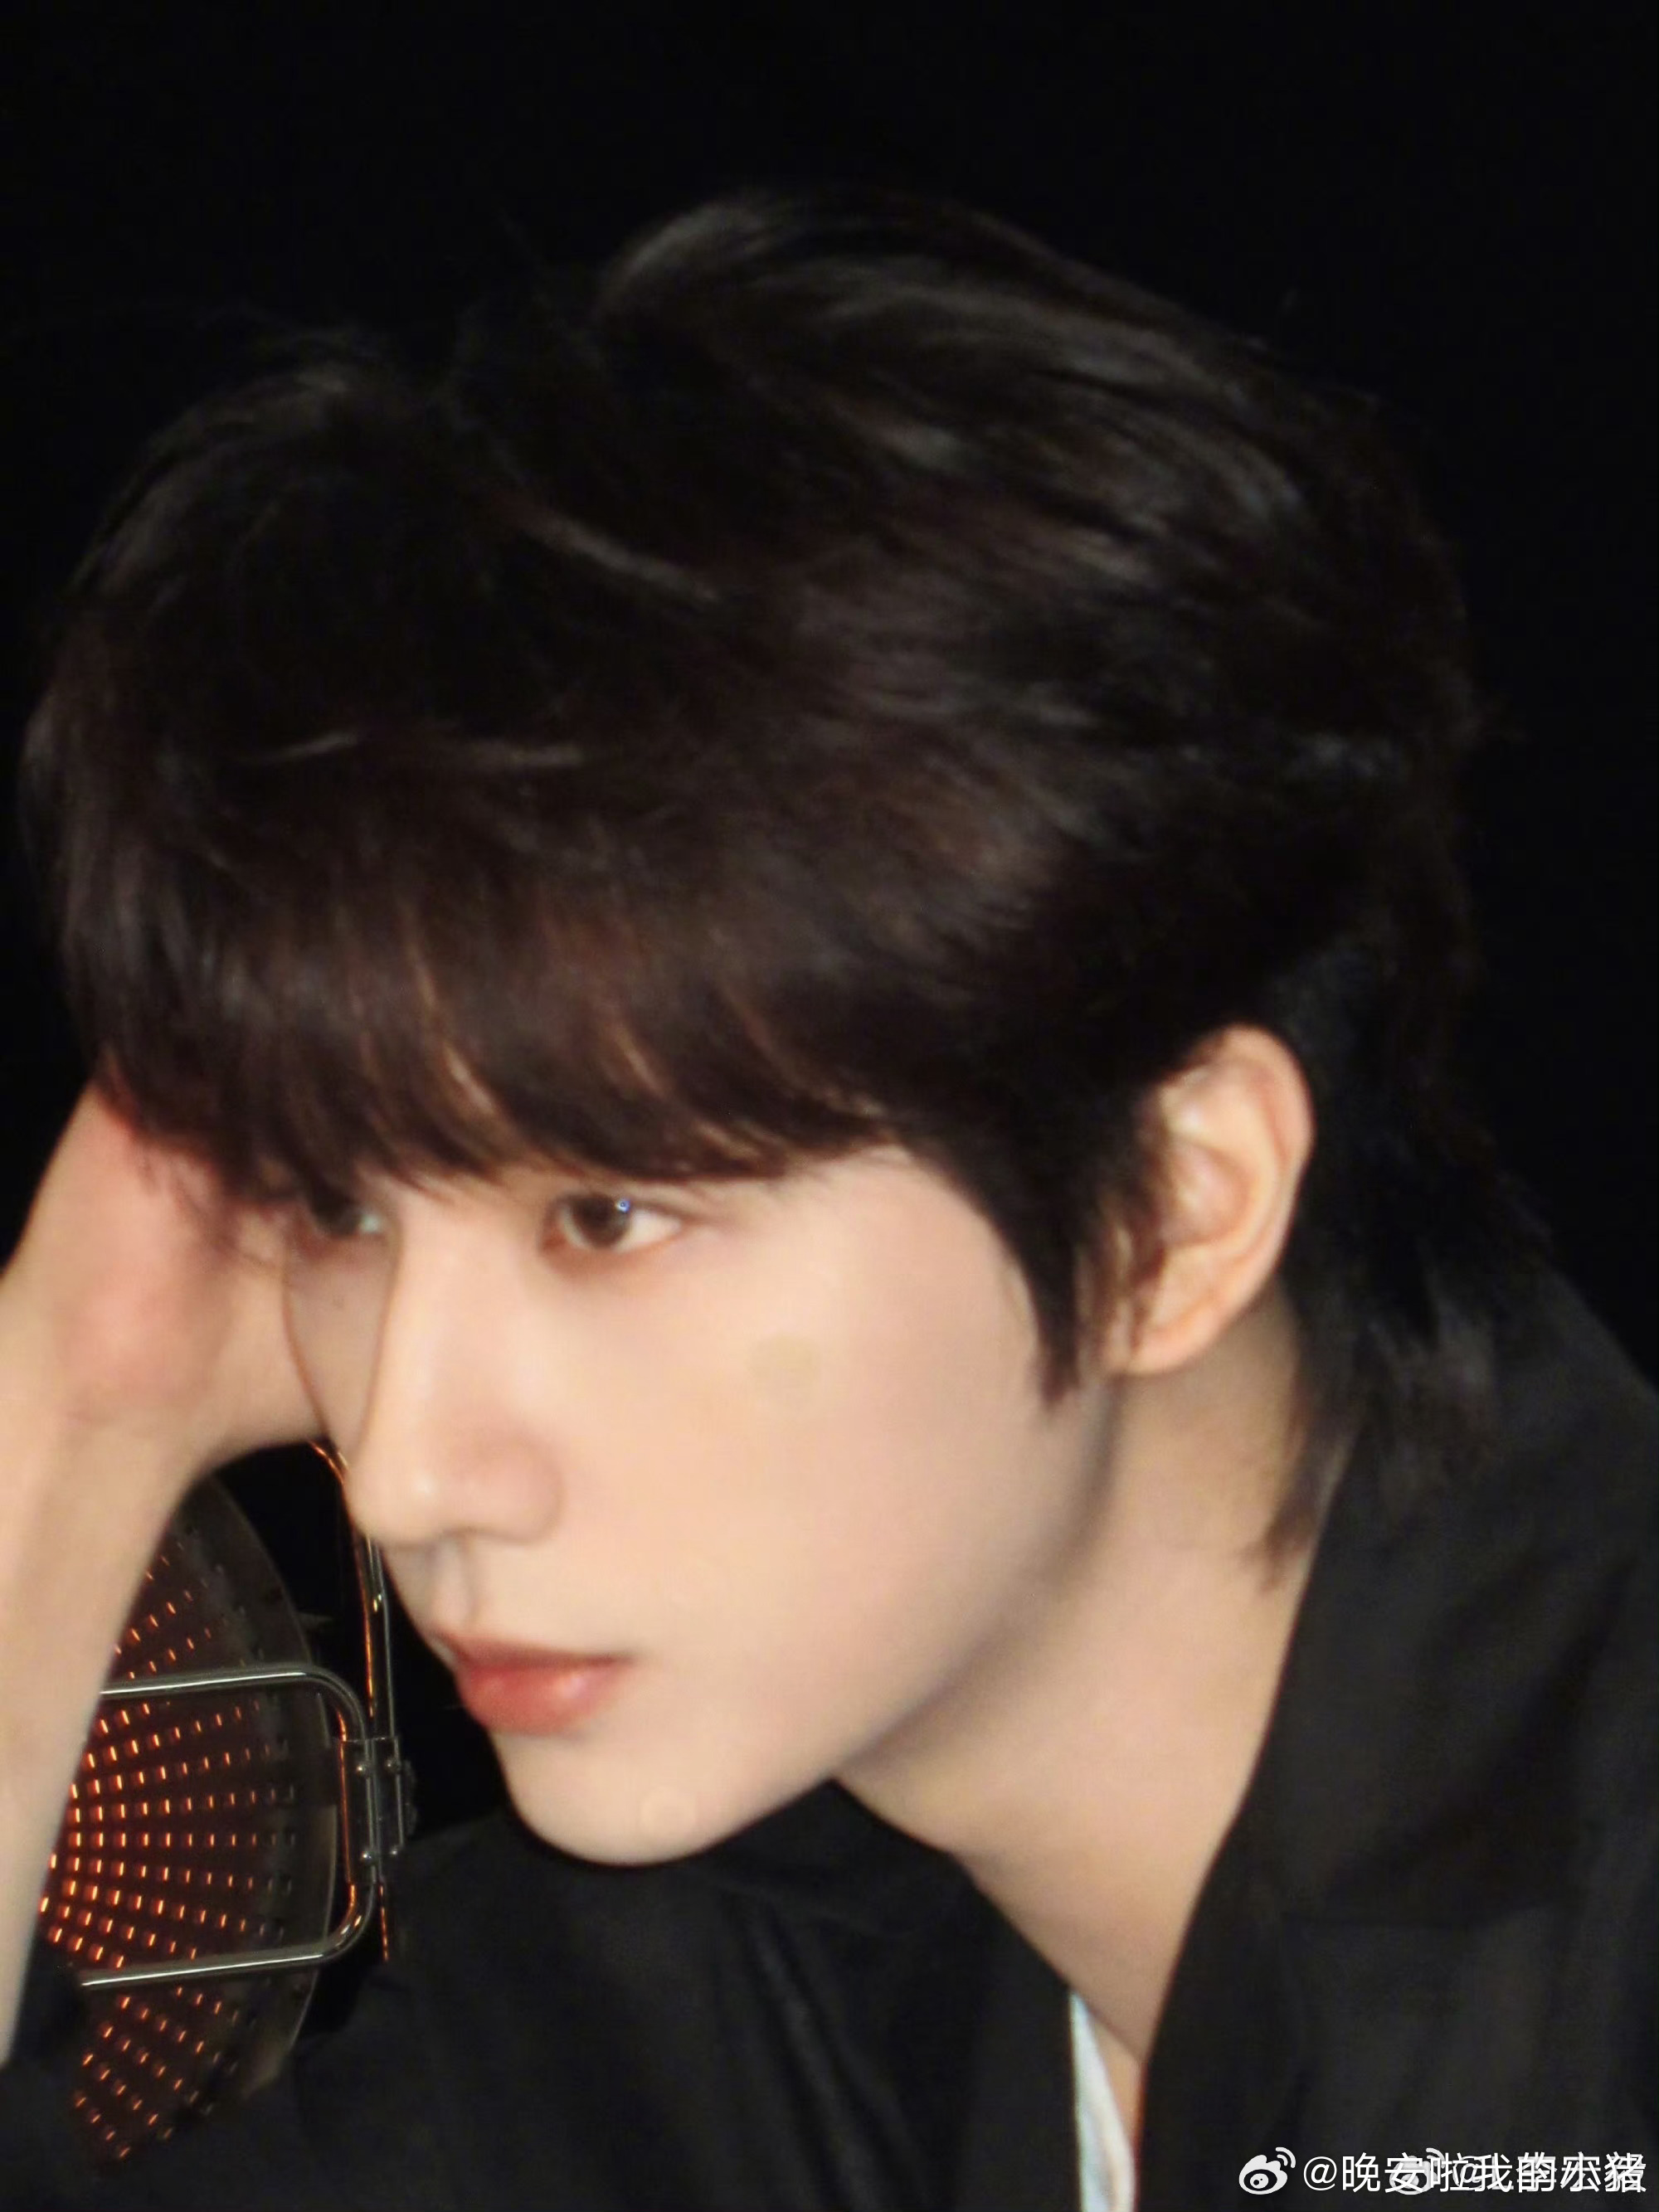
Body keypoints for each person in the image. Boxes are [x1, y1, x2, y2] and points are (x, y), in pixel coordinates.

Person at [0, 188, 1650, 2210]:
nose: (405, 1471)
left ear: (1170, 1209)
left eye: (607, 1213)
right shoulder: (698, 1988)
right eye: (342, 1207)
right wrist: (64, 1411)